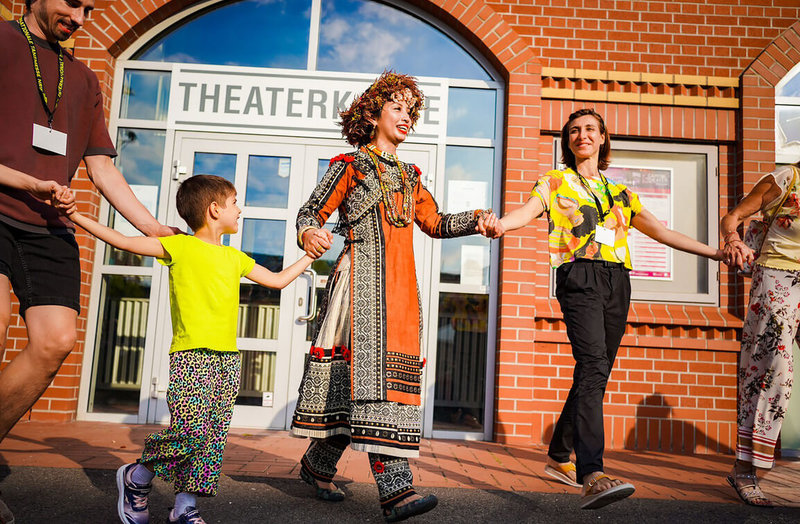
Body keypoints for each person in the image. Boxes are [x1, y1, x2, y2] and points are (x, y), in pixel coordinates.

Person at [480, 108, 723, 509]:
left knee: (596, 370)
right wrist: (502, 225)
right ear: (568, 142)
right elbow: (529, 210)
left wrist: (715, 254)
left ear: (603, 138)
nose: (582, 135)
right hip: (580, 277)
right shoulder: (555, 181)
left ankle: (559, 455)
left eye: (590, 129)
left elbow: (661, 231)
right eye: (574, 131)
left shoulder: (621, 193)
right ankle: (591, 472)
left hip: (617, 281)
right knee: (593, 365)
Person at [54, 174, 320, 523]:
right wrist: (75, 216)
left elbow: (278, 280)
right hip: (191, 356)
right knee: (190, 432)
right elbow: (120, 240)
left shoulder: (234, 257)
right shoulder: (178, 247)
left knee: (211, 438)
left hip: (228, 359)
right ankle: (137, 477)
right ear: (214, 209)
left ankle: (185, 508)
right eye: (235, 202)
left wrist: (310, 256)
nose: (240, 210)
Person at [0, 0, 176, 521]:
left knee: (56, 341)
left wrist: (152, 227)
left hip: (49, 223)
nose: (77, 19)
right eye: (70, 3)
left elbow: (101, 168)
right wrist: (25, 180)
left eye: (88, 11)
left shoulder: (82, 77)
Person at [290, 71, 490, 523]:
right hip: (359, 286)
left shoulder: (410, 175)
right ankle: (396, 491)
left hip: (401, 293)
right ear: (374, 113)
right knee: (370, 385)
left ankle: (317, 463)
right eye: (396, 108)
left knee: (365, 389)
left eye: (410, 111)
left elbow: (436, 223)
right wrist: (309, 232)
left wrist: (478, 219)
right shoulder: (350, 165)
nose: (405, 117)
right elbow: (310, 210)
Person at [719, 159, 800, 507]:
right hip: (777, 279)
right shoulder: (787, 178)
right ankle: (745, 469)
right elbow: (733, 217)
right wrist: (733, 240)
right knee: (773, 370)